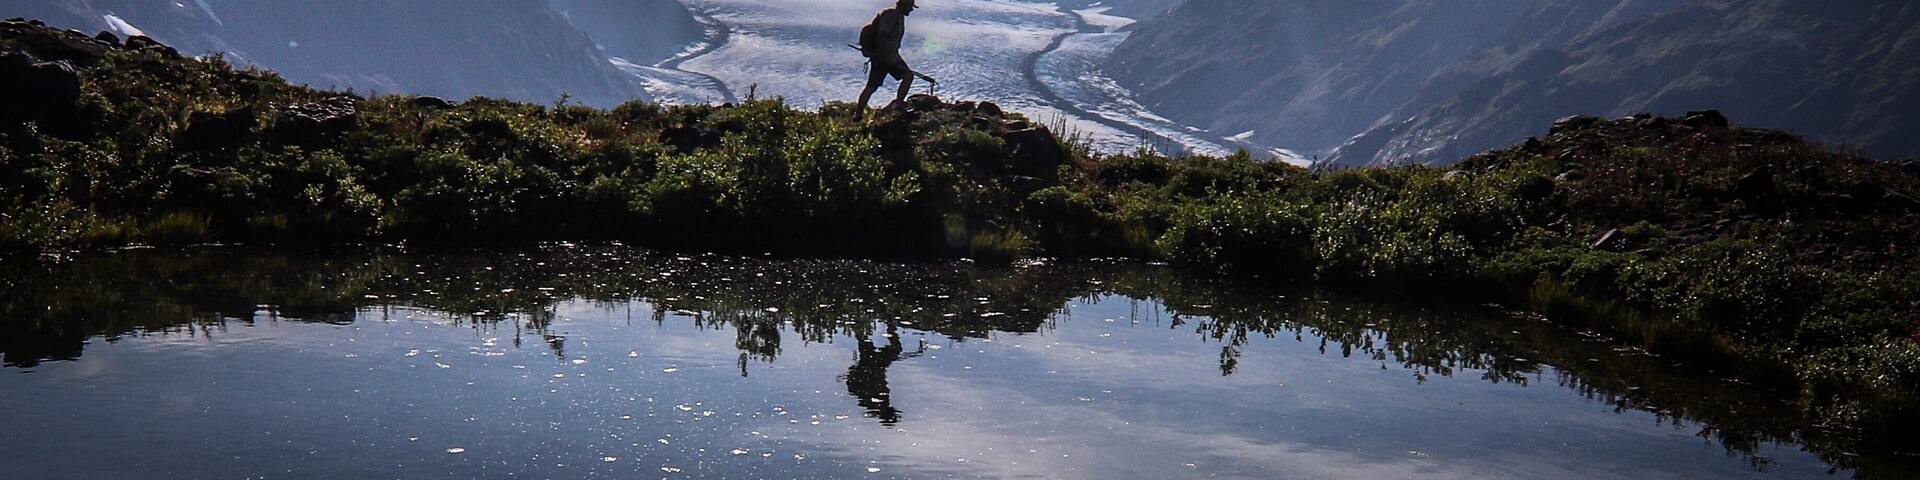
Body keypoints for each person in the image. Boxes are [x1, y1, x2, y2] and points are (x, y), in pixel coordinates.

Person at [855, 0, 918, 117]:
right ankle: (898, 105)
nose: (911, 10)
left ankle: (858, 115)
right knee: (908, 76)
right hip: (885, 57)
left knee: (871, 86)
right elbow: (883, 35)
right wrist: (889, 57)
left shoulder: (896, 16)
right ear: (904, 5)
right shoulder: (892, 15)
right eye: (910, 7)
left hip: (884, 56)